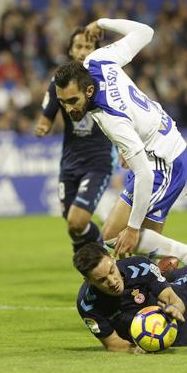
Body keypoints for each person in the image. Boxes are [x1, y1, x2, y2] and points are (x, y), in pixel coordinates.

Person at [53, 18, 187, 264]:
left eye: (72, 101)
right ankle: (170, 269)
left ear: (88, 92)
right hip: (152, 144)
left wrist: (133, 228)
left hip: (164, 160)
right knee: (112, 239)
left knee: (131, 239)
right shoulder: (97, 61)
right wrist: (103, 22)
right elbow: (145, 31)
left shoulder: (109, 118)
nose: (68, 109)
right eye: (62, 102)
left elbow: (145, 174)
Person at [34, 28, 115, 252]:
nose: (82, 51)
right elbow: (48, 113)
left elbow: (121, 115)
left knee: (77, 221)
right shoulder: (59, 82)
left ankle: (102, 257)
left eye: (88, 47)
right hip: (69, 161)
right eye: (78, 46)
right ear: (70, 50)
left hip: (98, 160)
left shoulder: (105, 80)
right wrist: (43, 125)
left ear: (96, 50)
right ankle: (96, 259)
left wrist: (126, 148)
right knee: (72, 223)